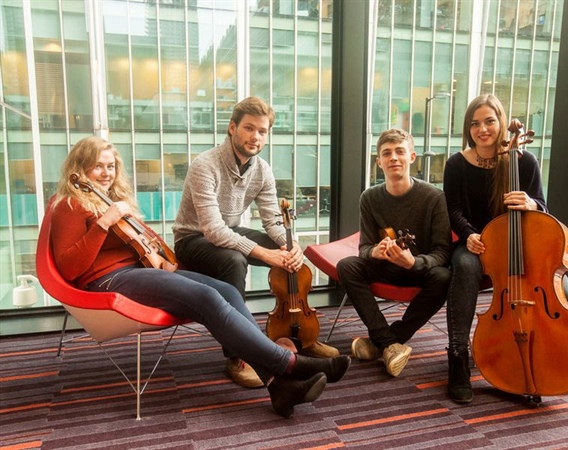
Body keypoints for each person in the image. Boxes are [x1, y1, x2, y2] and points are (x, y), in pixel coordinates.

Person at [49, 136, 350, 419]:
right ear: (80, 167)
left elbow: (141, 242)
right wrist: (103, 223)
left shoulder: (112, 200)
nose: (106, 172)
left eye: (111, 166)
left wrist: (161, 256)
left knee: (226, 291)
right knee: (205, 297)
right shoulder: (70, 204)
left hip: (141, 271)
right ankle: (291, 363)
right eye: (98, 165)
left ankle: (279, 388)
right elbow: (69, 268)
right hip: (107, 280)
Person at [172, 96, 340, 387]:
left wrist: (292, 245)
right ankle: (237, 356)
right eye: (249, 128)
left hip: (231, 230)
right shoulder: (205, 165)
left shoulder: (262, 169)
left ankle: (299, 334)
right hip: (193, 238)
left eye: (262, 131)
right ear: (232, 128)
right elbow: (212, 230)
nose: (256, 136)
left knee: (285, 253)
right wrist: (264, 254)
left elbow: (273, 219)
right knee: (235, 261)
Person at [443, 94, 568, 404]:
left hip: (520, 246)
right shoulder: (457, 164)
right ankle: (458, 355)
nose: (482, 129)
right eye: (475, 123)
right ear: (468, 128)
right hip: (477, 243)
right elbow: (454, 209)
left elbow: (542, 205)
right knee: (465, 266)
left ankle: (530, 355)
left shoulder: (524, 160)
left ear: (502, 123)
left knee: (566, 294)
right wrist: (468, 235)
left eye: (489, 121)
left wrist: (531, 204)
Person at [336, 128, 452, 377]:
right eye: (386, 153)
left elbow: (443, 252)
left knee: (443, 277)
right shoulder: (369, 198)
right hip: (386, 267)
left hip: (417, 270)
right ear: (379, 162)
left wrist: (414, 262)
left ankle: (383, 341)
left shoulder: (434, 197)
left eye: (400, 151)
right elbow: (364, 248)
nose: (394, 158)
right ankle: (388, 344)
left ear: (412, 157)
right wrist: (374, 252)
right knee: (347, 265)